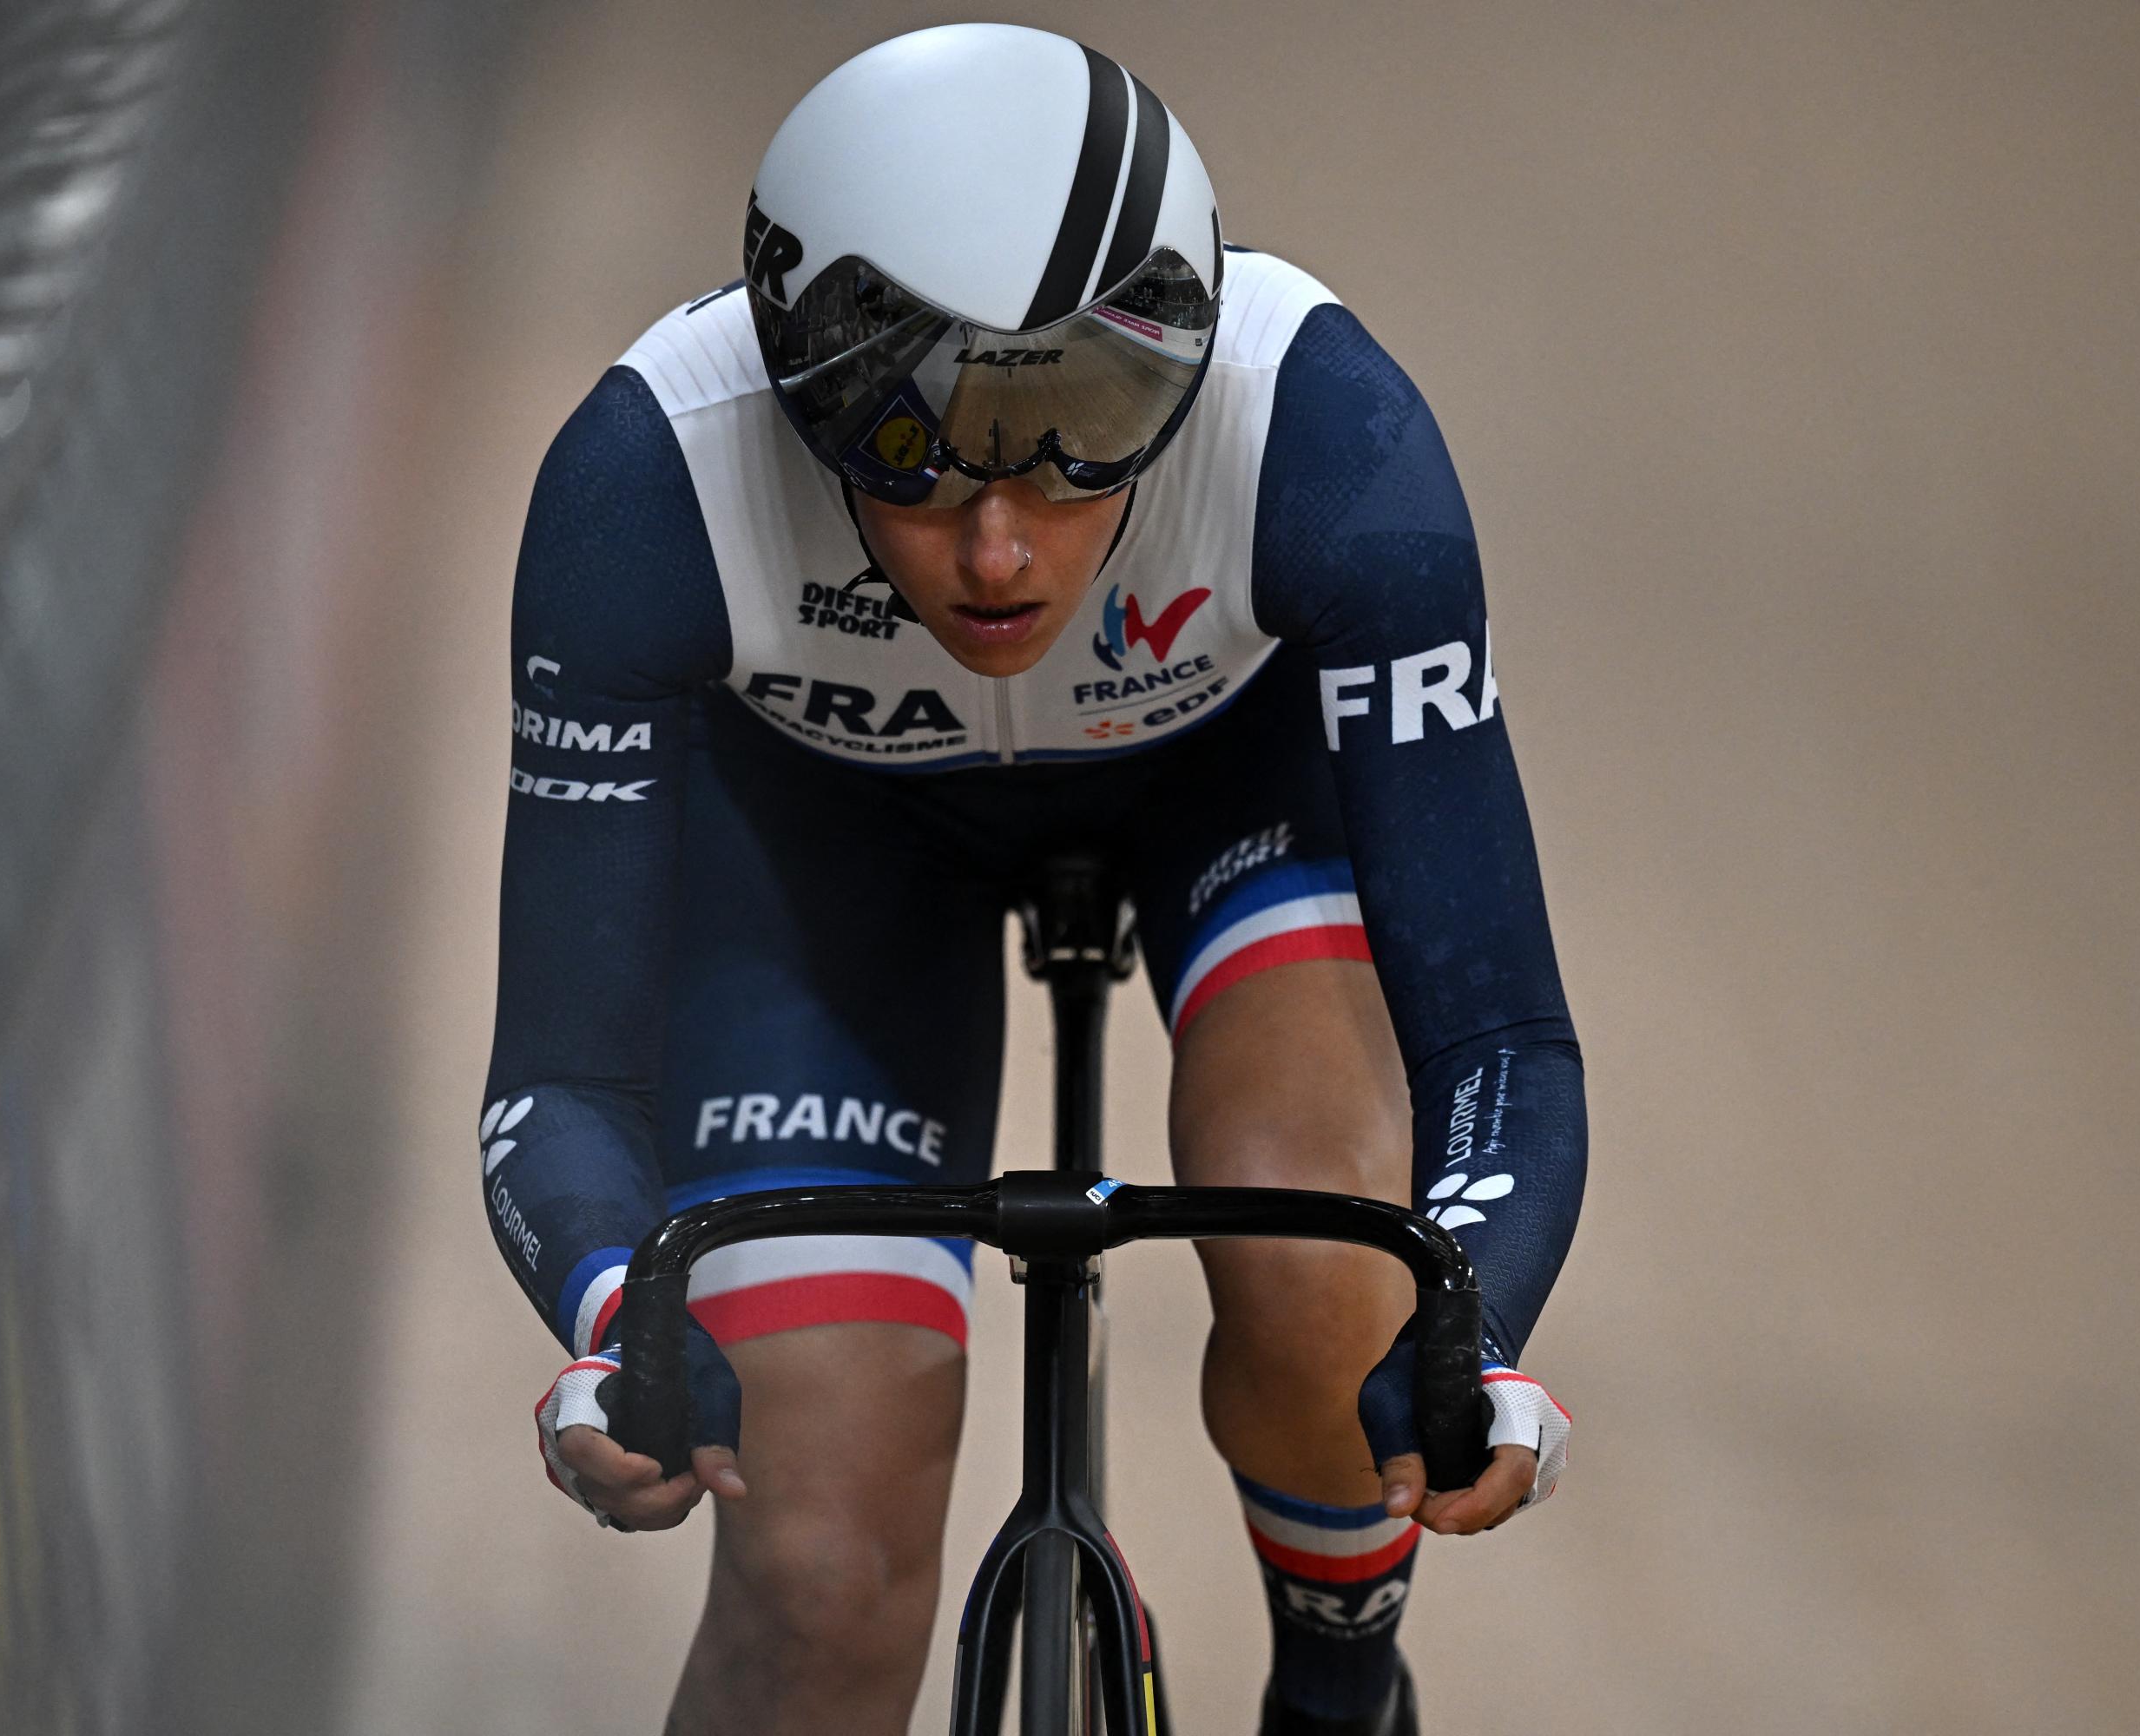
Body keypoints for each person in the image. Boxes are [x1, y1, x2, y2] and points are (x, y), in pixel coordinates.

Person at [484, 24, 1584, 1735]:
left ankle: (1338, 1684)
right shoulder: (652, 481)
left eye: (1085, 431)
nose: (1000, 543)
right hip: (828, 842)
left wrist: (1473, 1323)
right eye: (910, 448)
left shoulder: (1321, 428)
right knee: (819, 1574)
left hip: (1225, 776)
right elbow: (559, 1078)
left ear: (1184, 364)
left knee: (1324, 1250)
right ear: (796, 387)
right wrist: (622, 1305)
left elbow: (1504, 1036)